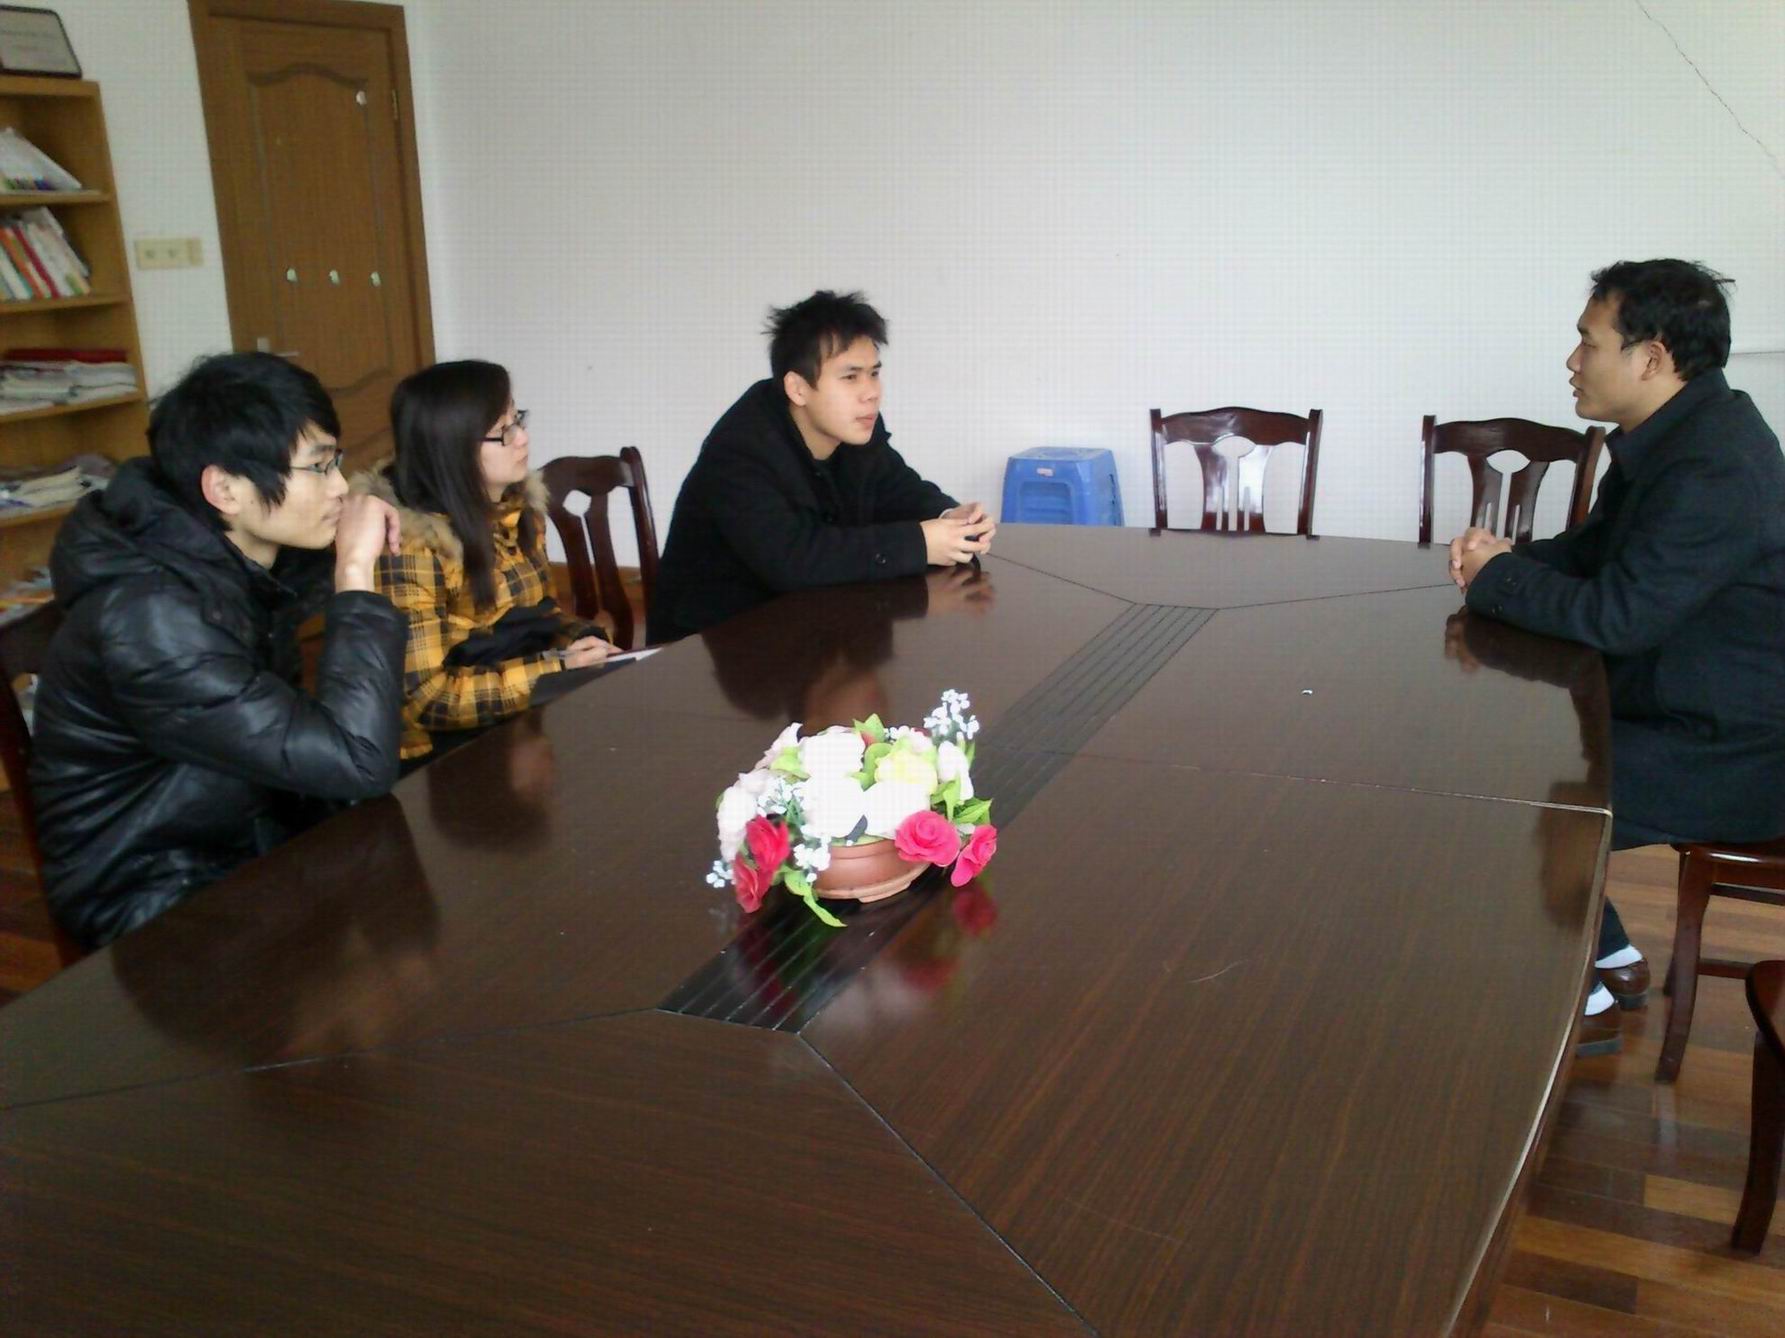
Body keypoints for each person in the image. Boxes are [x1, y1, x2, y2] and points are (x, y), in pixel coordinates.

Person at [1450, 259, 1785, 1054]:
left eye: (1588, 342)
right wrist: (1504, 560)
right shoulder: (1678, 435)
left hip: (1733, 754)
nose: (1572, 360)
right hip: (1684, 714)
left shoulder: (1713, 465)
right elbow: (1593, 552)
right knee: (1522, 760)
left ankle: (1581, 1000)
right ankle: (1609, 956)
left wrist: (1497, 580)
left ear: (1651, 358)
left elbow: (1617, 615)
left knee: (1516, 788)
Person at [30, 352, 409, 949]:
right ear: (224, 489)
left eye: (335, 460)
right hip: (153, 890)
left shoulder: (246, 561)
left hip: (248, 827)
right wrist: (355, 574)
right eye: (318, 467)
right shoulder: (152, 616)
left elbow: (332, 754)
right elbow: (355, 761)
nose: (341, 487)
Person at [652, 290, 995, 642]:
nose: (871, 393)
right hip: (714, 645)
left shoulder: (854, 425)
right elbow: (792, 560)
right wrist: (919, 543)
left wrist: (949, 517)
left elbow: (897, 487)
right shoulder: (741, 450)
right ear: (798, 388)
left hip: (811, 623)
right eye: (851, 377)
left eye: (874, 373)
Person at [356, 360, 611, 765]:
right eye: (502, 431)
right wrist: (554, 670)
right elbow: (426, 699)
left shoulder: (516, 509)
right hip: (441, 757)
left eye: (517, 419)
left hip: (516, 720)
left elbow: (538, 617)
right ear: (451, 447)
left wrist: (580, 641)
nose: (522, 438)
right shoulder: (407, 543)